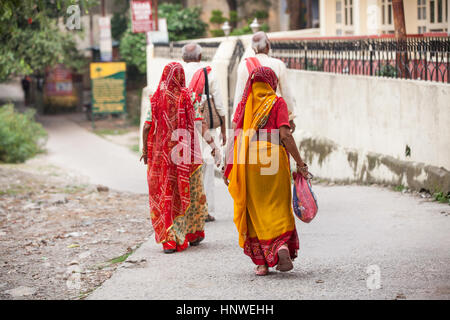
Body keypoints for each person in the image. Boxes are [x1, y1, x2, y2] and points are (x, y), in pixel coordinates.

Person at [223, 66, 309, 276]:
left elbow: (236, 135)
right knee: (278, 205)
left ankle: (262, 263)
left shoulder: (247, 105)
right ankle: (280, 246)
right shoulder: (277, 102)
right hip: (274, 159)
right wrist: (300, 162)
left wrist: (229, 165)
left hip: (250, 160)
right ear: (272, 82)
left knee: (255, 210)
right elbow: (286, 135)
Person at [141, 62, 220, 254]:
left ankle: (170, 240)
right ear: (181, 77)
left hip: (163, 157)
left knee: (167, 194)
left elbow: (147, 126)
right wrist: (213, 146)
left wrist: (145, 150)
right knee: (191, 192)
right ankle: (193, 233)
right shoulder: (189, 97)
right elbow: (200, 124)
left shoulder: (155, 99)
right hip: (187, 155)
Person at [182, 43, 227, 223]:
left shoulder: (179, 72)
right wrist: (223, 129)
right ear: (200, 57)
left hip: (183, 124)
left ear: (183, 58)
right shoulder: (208, 73)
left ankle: (187, 209)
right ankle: (206, 210)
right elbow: (219, 104)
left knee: (186, 165)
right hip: (205, 125)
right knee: (207, 165)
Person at [233, 31, 296, 132]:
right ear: (268, 45)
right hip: (273, 116)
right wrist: (290, 119)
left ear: (253, 48)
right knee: (273, 144)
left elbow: (239, 96)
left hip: (251, 117)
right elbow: (286, 94)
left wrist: (236, 121)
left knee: (253, 146)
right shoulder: (278, 64)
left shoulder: (243, 66)